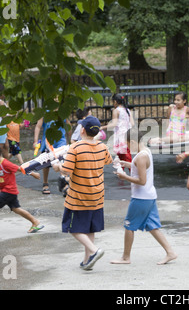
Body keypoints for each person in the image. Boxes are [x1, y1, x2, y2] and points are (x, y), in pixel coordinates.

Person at [52, 116, 113, 271]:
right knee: (89, 228)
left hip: (79, 195)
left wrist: (58, 166)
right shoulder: (102, 147)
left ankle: (94, 251)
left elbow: (66, 169)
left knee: (71, 227)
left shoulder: (76, 148)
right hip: (97, 194)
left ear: (83, 130)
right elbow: (108, 161)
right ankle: (87, 261)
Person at [111, 130, 177, 265]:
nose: (128, 148)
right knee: (152, 226)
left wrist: (124, 176)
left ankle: (125, 257)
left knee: (129, 225)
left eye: (129, 144)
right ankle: (170, 252)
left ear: (134, 142)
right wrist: (127, 164)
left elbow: (142, 180)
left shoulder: (141, 157)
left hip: (141, 197)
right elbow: (140, 168)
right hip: (149, 196)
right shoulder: (145, 151)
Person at [33, 114, 70, 194]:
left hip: (61, 140)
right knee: (46, 163)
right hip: (48, 141)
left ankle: (65, 185)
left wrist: (70, 140)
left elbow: (68, 126)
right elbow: (38, 126)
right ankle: (45, 183)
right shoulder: (45, 112)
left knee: (63, 161)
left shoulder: (63, 111)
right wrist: (35, 141)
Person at [101, 93, 134, 169]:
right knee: (125, 155)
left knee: (124, 156)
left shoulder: (116, 111)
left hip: (120, 136)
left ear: (115, 101)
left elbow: (114, 124)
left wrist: (103, 127)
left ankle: (130, 172)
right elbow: (132, 124)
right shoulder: (127, 110)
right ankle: (124, 173)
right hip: (128, 134)